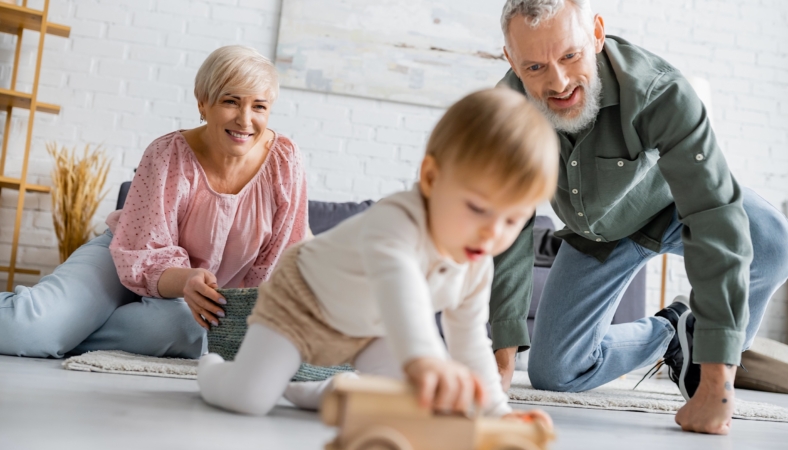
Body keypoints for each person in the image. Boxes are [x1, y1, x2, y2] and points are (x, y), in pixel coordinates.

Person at [487, 0, 788, 435]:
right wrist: (502, 364)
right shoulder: (504, 114)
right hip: (598, 234)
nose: (557, 82)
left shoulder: (659, 91)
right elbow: (509, 227)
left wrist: (715, 382)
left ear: (597, 33)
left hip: (676, 206)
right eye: (535, 67)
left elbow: (712, 211)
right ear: (510, 60)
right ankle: (673, 332)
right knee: (555, 373)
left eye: (570, 56)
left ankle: (705, 349)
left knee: (774, 244)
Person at [197, 88, 559, 422]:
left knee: (410, 405)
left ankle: (324, 390)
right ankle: (213, 369)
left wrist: (497, 411)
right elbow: (400, 290)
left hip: (374, 330)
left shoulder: (476, 263)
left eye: (513, 219)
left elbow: (470, 340)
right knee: (249, 400)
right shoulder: (397, 220)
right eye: (478, 208)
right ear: (432, 179)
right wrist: (426, 360)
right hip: (302, 303)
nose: (493, 233)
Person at [0, 45, 307, 360]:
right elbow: (143, 253)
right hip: (127, 253)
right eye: (230, 101)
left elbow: (278, 260)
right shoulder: (167, 154)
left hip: (194, 298)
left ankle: (66, 333)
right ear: (203, 103)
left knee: (183, 329)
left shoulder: (284, 161)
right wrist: (186, 279)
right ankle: (54, 328)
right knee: (32, 328)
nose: (245, 120)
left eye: (259, 106)